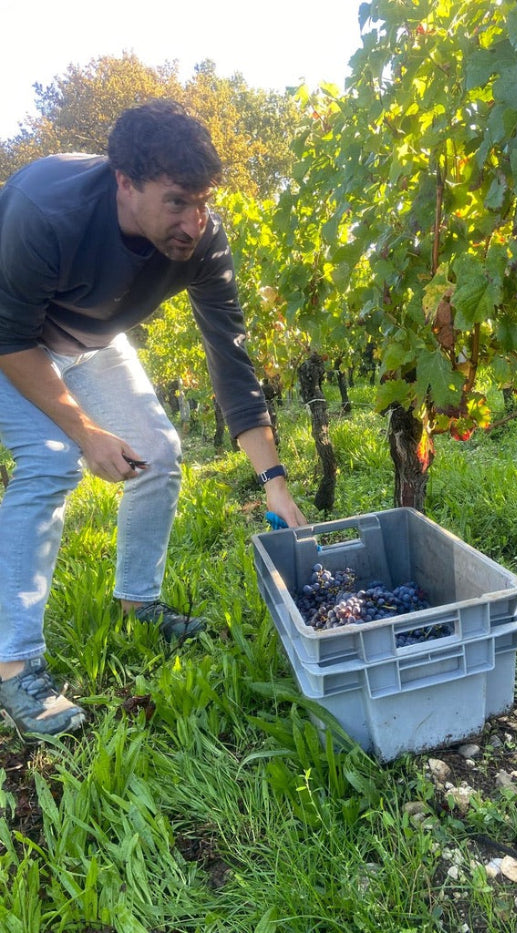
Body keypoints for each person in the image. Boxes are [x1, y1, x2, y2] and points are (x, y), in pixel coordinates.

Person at [0, 99, 306, 738]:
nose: (194, 223)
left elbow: (231, 361)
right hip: (12, 342)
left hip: (89, 343)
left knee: (159, 453)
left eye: (203, 203)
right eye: (177, 203)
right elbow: (10, 338)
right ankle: (14, 666)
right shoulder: (46, 209)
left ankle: (138, 604)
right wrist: (84, 433)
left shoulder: (201, 240)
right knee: (51, 461)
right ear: (125, 181)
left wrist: (273, 479)